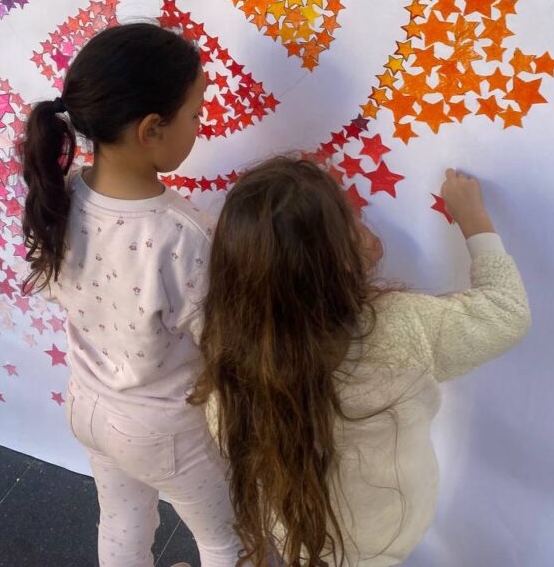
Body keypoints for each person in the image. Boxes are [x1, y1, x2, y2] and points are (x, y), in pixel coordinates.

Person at [189, 156, 531, 567]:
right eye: (352, 218)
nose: (363, 220)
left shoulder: (230, 360)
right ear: (341, 259)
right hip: (387, 534)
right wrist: (473, 218)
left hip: (297, 533)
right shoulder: (397, 328)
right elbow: (506, 312)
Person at [19, 22, 242, 567]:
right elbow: (224, 345)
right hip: (163, 430)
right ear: (151, 130)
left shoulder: (63, 194)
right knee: (226, 539)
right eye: (196, 115)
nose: (200, 125)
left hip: (88, 406)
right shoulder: (184, 234)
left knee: (122, 521)